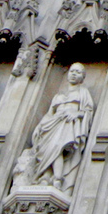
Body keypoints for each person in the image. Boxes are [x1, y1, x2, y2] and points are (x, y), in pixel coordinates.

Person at [24, 62, 94, 192]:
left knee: (58, 148)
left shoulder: (83, 92)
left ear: (83, 77)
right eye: (72, 71)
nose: (73, 74)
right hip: (53, 124)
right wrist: (40, 126)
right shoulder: (59, 95)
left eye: (78, 72)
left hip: (67, 125)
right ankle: (45, 175)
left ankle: (58, 179)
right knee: (48, 150)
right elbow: (50, 114)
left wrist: (77, 113)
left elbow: (88, 111)